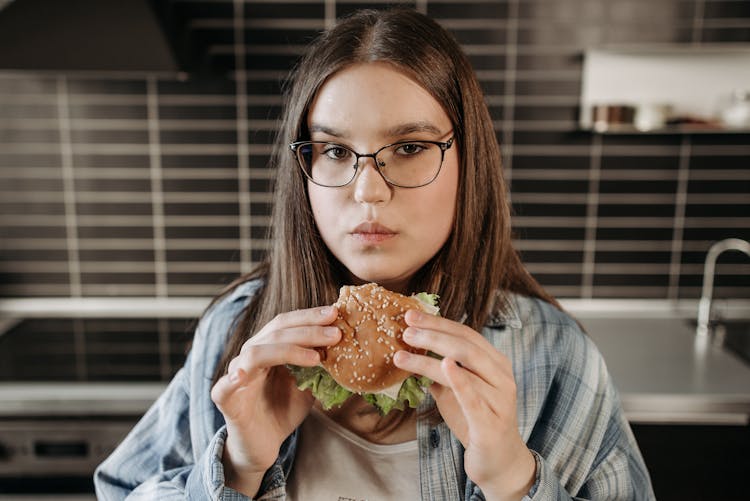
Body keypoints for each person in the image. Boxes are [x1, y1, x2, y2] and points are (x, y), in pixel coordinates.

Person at [94, 7, 655, 500]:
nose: (367, 190)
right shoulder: (235, 333)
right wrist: (237, 469)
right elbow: (118, 490)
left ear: (470, 165)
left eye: (409, 148)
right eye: (336, 150)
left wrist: (513, 480)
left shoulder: (556, 357)